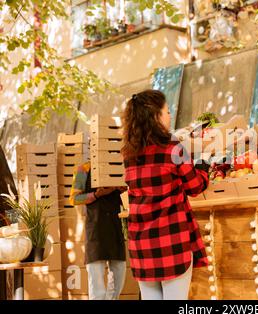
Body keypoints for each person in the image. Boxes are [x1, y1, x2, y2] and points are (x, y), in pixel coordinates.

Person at [121, 89, 210, 300]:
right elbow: (195, 186)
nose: (170, 115)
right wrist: (205, 170)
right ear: (156, 117)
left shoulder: (129, 153)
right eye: (167, 111)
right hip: (171, 241)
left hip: (142, 245)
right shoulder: (173, 147)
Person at [69, 162, 127, 300]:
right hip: (95, 230)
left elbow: (132, 193)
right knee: (97, 285)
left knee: (119, 275)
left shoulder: (119, 167)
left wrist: (123, 189)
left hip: (116, 228)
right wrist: (97, 194)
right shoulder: (83, 169)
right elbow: (74, 198)